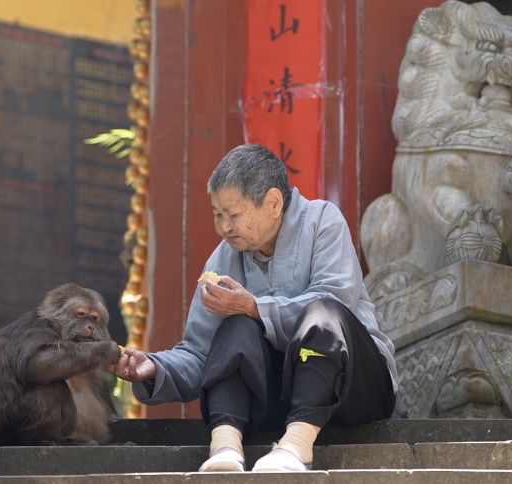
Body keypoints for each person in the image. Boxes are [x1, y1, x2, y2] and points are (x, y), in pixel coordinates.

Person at [112, 144, 397, 472]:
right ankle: (225, 446)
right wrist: (155, 368)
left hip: (355, 387)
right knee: (234, 326)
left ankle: (296, 446)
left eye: (233, 215)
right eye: (217, 214)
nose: (223, 228)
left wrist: (255, 307)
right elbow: (201, 352)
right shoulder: (223, 259)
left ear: (273, 203)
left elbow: (336, 300)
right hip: (277, 401)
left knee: (323, 312)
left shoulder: (323, 222)